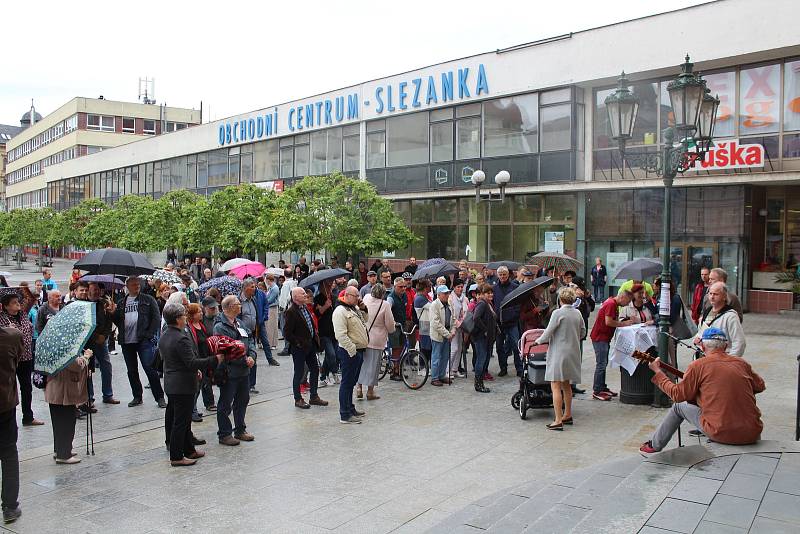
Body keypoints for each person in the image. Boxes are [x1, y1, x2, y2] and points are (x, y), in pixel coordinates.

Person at [640, 328, 765, 454]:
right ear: (726, 346)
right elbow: (760, 385)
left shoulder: (698, 365)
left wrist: (658, 372)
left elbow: (677, 395)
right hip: (752, 432)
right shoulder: (741, 363)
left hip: (721, 432)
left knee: (678, 406)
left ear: (703, 347)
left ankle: (654, 445)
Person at [161, 303, 223, 467]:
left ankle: (189, 449)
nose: (184, 319)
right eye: (183, 316)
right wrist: (215, 359)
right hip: (182, 384)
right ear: (177, 319)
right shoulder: (180, 337)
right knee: (181, 422)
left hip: (172, 382)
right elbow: (191, 362)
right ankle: (176, 456)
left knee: (184, 419)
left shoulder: (165, 334)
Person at [533, 287, 586, 431]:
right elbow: (583, 332)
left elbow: (548, 332)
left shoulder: (557, 312)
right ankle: (567, 414)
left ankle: (557, 420)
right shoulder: (578, 313)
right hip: (573, 353)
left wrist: (537, 341)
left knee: (555, 385)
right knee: (567, 385)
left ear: (560, 299)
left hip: (559, 352)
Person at [112, 277, 165, 408]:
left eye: (138, 284)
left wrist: (149, 334)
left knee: (150, 368)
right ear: (127, 286)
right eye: (134, 285)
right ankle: (137, 396)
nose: (137, 286)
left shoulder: (148, 299)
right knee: (131, 370)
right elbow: (117, 321)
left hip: (143, 340)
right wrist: (112, 312)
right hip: (127, 341)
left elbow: (156, 317)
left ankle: (159, 397)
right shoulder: (121, 302)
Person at [213, 295, 255, 445]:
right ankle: (224, 434)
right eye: (237, 304)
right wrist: (245, 359)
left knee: (242, 400)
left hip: (244, 371)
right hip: (229, 371)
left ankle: (240, 430)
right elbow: (226, 350)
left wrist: (252, 355)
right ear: (229, 307)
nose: (240, 306)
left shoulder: (240, 323)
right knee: (225, 403)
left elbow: (250, 341)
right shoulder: (220, 327)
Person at [0, 293, 43, 426]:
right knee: (10, 387)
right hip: (12, 359)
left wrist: (27, 292)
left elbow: (32, 298)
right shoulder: (2, 318)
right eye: (13, 302)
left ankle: (28, 417)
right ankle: (9, 415)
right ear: (6, 306)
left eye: (18, 301)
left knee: (26, 387)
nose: (17, 304)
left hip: (26, 357)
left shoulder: (24, 313)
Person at [283, 288, 328, 409]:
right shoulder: (291, 312)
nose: (305, 295)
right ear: (296, 297)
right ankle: (298, 399)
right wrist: (298, 343)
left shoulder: (305, 308)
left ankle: (314, 396)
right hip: (299, 348)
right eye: (302, 294)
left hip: (310, 345)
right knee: (299, 372)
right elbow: (287, 333)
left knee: (315, 369)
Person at [47, 347, 93, 464]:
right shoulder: (65, 348)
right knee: (67, 422)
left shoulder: (51, 346)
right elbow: (76, 366)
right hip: (63, 391)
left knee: (58, 422)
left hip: (53, 388)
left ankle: (60, 450)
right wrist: (86, 356)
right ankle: (64, 454)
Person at [332, 286, 369, 424]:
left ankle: (350, 407)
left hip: (358, 351)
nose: (358, 298)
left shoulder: (354, 308)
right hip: (349, 352)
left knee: (351, 382)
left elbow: (366, 319)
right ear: (347, 295)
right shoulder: (340, 311)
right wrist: (352, 350)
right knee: (347, 383)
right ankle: (345, 414)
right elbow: (340, 335)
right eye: (355, 295)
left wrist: (364, 307)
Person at [589, 289, 633, 401]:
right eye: (628, 301)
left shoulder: (613, 303)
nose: (627, 304)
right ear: (623, 297)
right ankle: (597, 390)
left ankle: (602, 387)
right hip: (600, 338)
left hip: (603, 337)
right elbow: (608, 322)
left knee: (603, 363)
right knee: (601, 364)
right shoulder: (611, 304)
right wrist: (623, 324)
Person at [82, 283, 119, 408]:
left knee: (106, 366)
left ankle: (108, 394)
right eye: (94, 290)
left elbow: (109, 321)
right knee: (88, 370)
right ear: (88, 291)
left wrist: (105, 335)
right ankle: (90, 397)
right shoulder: (83, 304)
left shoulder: (104, 303)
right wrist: (95, 336)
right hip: (88, 342)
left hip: (102, 340)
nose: (97, 292)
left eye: (98, 290)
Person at [0, 327, 23, 523]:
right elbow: (17, 362)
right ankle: (9, 505)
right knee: (8, 454)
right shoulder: (13, 336)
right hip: (5, 403)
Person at [358, 284, 394, 401]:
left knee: (361, 364)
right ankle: (370, 391)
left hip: (363, 336)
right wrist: (392, 329)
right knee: (373, 367)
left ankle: (358, 388)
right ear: (383, 294)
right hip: (377, 340)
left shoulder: (367, 297)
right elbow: (390, 325)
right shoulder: (385, 305)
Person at [695, 282, 745, 357]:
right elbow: (701, 332)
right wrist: (697, 338)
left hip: (723, 358)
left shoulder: (731, 316)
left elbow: (739, 342)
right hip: (705, 357)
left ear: (724, 296)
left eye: (715, 294)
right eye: (710, 293)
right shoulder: (708, 311)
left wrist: (729, 360)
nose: (712, 297)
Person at [492, 266, 522, 377]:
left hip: (512, 322)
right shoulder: (494, 289)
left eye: (504, 274)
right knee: (499, 347)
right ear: (498, 275)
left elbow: (518, 303)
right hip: (499, 323)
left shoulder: (515, 287)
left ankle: (519, 368)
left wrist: (514, 314)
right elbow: (493, 303)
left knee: (516, 346)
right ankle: (503, 368)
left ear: (508, 275)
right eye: (500, 275)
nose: (503, 276)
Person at [471, 284, 497, 393]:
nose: (490, 294)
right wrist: (485, 329)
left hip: (486, 337)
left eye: (491, 292)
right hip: (480, 337)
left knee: (484, 359)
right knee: (481, 359)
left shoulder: (488, 303)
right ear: (482, 294)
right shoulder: (482, 303)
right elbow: (476, 317)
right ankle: (478, 384)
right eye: (488, 293)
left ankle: (480, 383)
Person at [315, 280, 340, 388]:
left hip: (335, 331)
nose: (329, 287)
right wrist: (325, 306)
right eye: (327, 285)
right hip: (324, 332)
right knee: (331, 354)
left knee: (334, 355)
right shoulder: (318, 298)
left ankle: (323, 377)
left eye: (330, 285)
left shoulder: (334, 297)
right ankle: (334, 372)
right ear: (321, 287)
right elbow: (316, 313)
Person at [429, 285, 455, 386]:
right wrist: (447, 334)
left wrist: (452, 331)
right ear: (438, 294)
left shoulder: (449, 303)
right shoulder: (434, 305)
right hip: (438, 335)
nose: (447, 295)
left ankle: (442, 375)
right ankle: (435, 377)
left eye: (447, 293)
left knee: (445, 356)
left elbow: (453, 318)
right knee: (436, 356)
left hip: (447, 334)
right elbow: (435, 323)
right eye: (445, 293)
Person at [387, 277, 409, 380]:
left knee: (402, 347)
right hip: (395, 326)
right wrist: (392, 322)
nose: (403, 288)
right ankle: (394, 371)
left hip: (402, 324)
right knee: (396, 348)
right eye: (401, 287)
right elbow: (387, 310)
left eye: (405, 286)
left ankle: (399, 368)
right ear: (395, 286)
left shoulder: (404, 296)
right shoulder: (391, 297)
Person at [448, 279, 469, 379]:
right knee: (454, 348)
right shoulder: (450, 298)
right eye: (458, 287)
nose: (460, 289)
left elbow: (467, 312)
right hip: (453, 326)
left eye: (461, 287)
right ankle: (447, 370)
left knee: (460, 348)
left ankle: (454, 370)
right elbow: (451, 314)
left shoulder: (464, 298)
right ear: (454, 287)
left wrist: (464, 324)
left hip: (462, 327)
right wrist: (457, 323)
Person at [413, 279, 433, 368]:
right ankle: (422, 367)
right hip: (424, 324)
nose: (430, 288)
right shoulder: (420, 298)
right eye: (429, 286)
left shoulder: (424, 297)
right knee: (425, 347)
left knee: (427, 346)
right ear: (425, 288)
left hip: (426, 323)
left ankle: (424, 366)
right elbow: (432, 307)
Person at [263, 275, 281, 352]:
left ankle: (271, 343)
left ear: (268, 280)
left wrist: (264, 301)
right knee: (271, 326)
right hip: (271, 308)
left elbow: (270, 300)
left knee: (271, 326)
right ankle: (272, 343)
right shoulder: (271, 288)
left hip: (272, 308)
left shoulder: (274, 288)